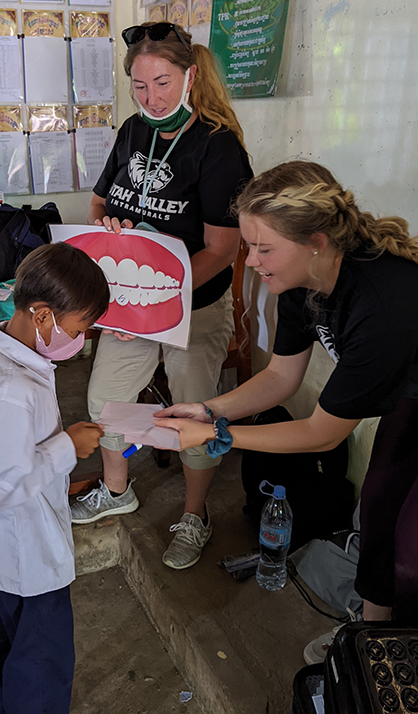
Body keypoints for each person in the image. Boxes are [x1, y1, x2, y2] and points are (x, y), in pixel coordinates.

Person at [154, 160, 418, 624]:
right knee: (378, 509)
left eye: (262, 249)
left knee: (412, 549)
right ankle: (369, 635)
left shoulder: (381, 303)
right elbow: (281, 377)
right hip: (409, 394)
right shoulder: (301, 281)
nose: (250, 261)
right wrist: (207, 408)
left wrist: (222, 434)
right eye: (249, 246)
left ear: (316, 243)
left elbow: (322, 434)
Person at [70, 21, 253, 571]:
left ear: (190, 76)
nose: (152, 97)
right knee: (106, 400)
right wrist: (113, 229)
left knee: (193, 415)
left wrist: (153, 302)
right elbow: (99, 204)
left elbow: (223, 250)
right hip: (131, 306)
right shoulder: (131, 131)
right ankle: (117, 487)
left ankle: (195, 515)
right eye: (141, 85)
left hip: (193, 307)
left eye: (164, 83)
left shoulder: (219, 148)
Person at [0, 243, 110, 714]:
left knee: (7, 659)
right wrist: (68, 447)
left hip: (11, 557)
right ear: (42, 315)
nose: (82, 338)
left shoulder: (11, 353)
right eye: (79, 327)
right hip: (29, 561)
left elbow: (8, 455)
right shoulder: (13, 390)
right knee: (40, 672)